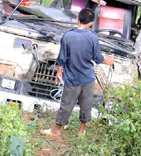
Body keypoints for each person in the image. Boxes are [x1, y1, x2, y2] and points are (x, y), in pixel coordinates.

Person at [40, 8, 114, 137]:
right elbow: (98, 59)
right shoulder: (93, 38)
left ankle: (56, 130)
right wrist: (109, 61)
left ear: (77, 18)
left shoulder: (67, 36)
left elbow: (62, 58)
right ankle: (81, 131)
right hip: (88, 78)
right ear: (91, 23)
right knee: (86, 105)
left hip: (72, 78)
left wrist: (59, 71)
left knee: (66, 104)